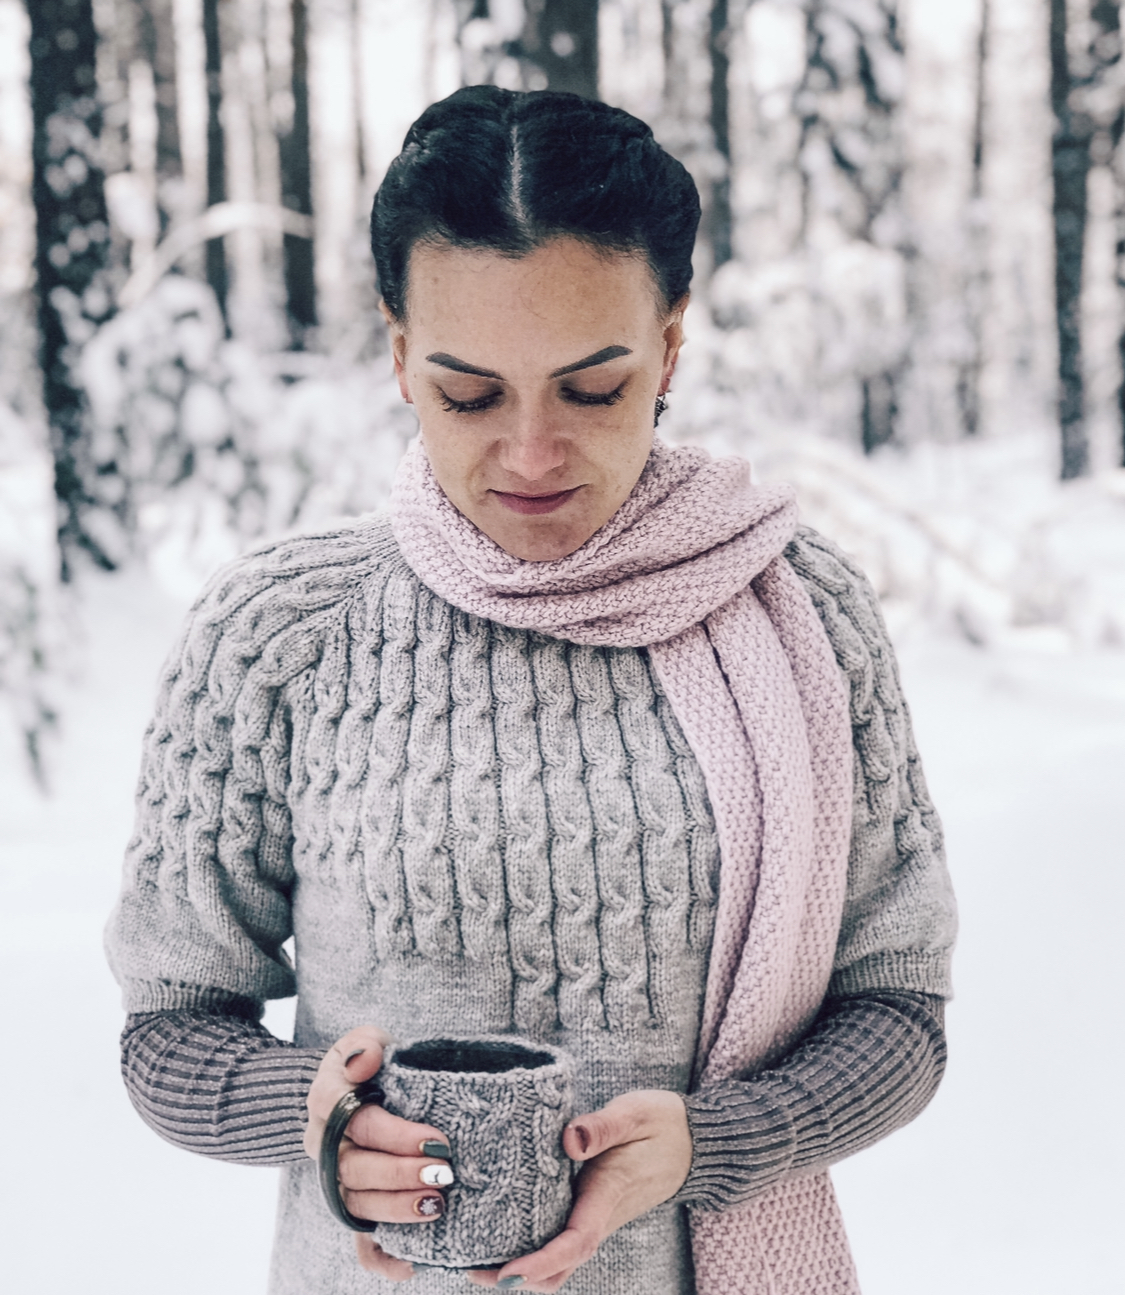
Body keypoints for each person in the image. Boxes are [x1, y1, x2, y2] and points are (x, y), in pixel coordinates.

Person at [106, 86, 956, 1295]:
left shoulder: (801, 615)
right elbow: (167, 1027)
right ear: (401, 356)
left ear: (670, 345)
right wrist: (322, 1117)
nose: (532, 453)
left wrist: (712, 1143)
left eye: (593, 387)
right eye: (469, 392)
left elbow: (900, 1008)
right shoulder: (279, 637)